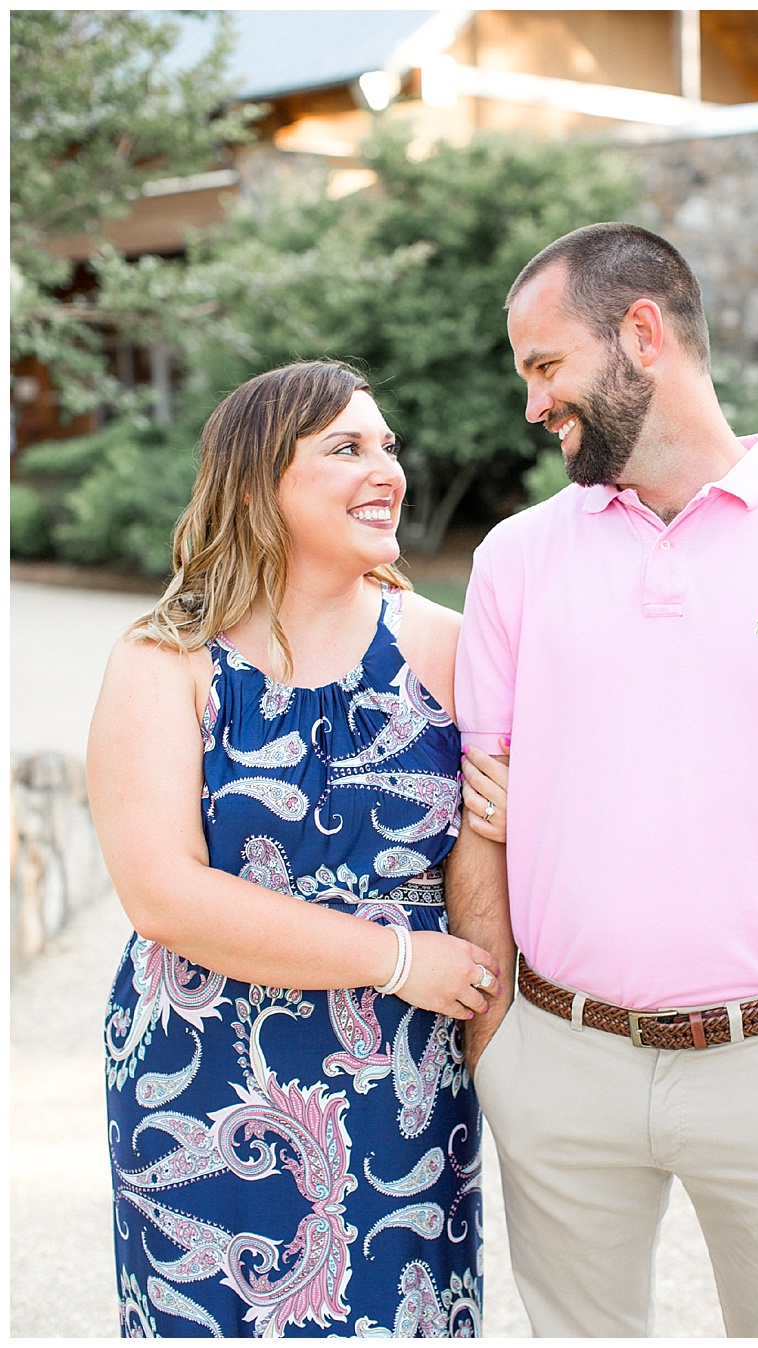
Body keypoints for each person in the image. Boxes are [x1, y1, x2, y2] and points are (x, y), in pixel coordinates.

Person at [447, 222, 758, 1337]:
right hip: (556, 1062)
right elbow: (477, 813)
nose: (535, 401)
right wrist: (496, 1040)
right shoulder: (512, 560)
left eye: (546, 366)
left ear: (641, 334)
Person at [90, 360, 503, 1338]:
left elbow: (511, 850)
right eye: (347, 447)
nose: (387, 470)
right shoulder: (164, 661)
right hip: (200, 1089)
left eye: (390, 446)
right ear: (256, 485)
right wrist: (401, 957)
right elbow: (163, 897)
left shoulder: (450, 648)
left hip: (402, 1087)